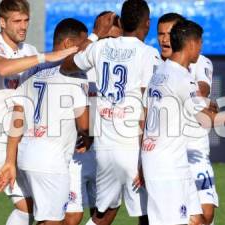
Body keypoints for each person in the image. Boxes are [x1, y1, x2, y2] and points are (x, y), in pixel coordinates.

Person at [0, 1, 77, 225]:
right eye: (16, 21)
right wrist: (45, 57)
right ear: (2, 22)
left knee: (28, 206)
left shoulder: (29, 51)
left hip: (15, 143)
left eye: (26, 20)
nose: (23, 26)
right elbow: (3, 67)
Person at [141, 20, 225, 225]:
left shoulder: (161, 73)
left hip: (171, 158)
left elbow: (191, 107)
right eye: (200, 43)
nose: (201, 48)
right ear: (191, 44)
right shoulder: (181, 77)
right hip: (165, 165)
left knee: (197, 219)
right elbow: (205, 120)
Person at [60, 1, 160, 224]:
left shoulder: (100, 47)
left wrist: (95, 36)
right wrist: (146, 159)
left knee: (103, 215)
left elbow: (65, 65)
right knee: (149, 214)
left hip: (104, 150)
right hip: (132, 149)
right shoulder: (148, 54)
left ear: (121, 22)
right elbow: (149, 107)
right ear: (147, 23)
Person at [0, 18, 91, 225]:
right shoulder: (75, 73)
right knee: (53, 221)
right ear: (67, 44)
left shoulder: (32, 68)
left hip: (26, 154)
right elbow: (84, 124)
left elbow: (17, 117)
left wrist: (10, 160)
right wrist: (89, 138)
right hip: (51, 160)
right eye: (82, 46)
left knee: (37, 216)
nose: (85, 52)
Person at [157, 12, 219, 225]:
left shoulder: (200, 61)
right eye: (160, 34)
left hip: (195, 148)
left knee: (206, 213)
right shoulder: (154, 64)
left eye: (170, 33)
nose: (165, 39)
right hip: (166, 153)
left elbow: (202, 89)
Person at [64, 11, 123, 225]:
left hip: (105, 152)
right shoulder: (84, 61)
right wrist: (96, 36)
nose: (110, 45)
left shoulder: (123, 71)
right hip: (77, 152)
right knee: (72, 217)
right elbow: (66, 61)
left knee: (106, 212)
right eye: (106, 38)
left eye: (116, 39)